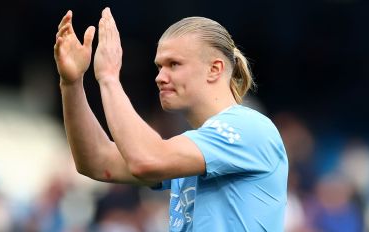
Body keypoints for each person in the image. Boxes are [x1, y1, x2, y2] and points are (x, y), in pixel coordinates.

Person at [53, 7, 288, 232]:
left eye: (174, 64)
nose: (160, 77)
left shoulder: (249, 127)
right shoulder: (194, 145)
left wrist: (109, 78)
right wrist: (71, 83)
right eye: (159, 66)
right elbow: (97, 162)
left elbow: (146, 160)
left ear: (214, 69)